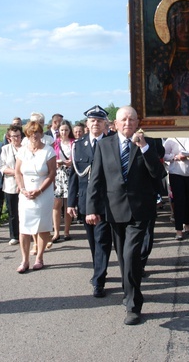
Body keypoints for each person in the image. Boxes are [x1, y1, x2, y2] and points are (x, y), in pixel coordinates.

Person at [87, 105, 166, 325]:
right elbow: (96, 179)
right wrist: (92, 208)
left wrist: (144, 148)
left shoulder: (149, 143)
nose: (128, 124)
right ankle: (128, 290)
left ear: (138, 122)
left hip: (141, 210)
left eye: (132, 120)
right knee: (123, 257)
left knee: (131, 255)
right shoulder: (104, 145)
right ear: (115, 123)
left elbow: (159, 174)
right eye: (123, 120)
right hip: (114, 210)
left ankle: (133, 305)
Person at [67, 105, 113, 298]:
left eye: (99, 121)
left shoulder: (112, 143)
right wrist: (70, 202)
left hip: (106, 201)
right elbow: (74, 176)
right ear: (87, 124)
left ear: (105, 124)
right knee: (93, 242)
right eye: (92, 121)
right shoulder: (78, 145)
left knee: (102, 240)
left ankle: (98, 281)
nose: (96, 124)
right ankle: (99, 269)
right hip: (85, 201)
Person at [14, 121, 56, 273]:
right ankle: (24, 260)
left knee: (42, 226)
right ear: (27, 134)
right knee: (24, 226)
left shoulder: (48, 151)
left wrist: (39, 190)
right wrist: (23, 188)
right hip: (25, 194)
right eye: (31, 133)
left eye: (37, 132)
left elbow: (52, 173)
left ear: (41, 133)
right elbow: (17, 172)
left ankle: (39, 257)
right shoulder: (22, 152)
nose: (34, 136)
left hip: (43, 193)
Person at [163, 137, 189, 240]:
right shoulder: (171, 139)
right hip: (176, 173)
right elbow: (163, 155)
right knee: (178, 201)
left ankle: (187, 223)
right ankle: (178, 229)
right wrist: (175, 157)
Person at [0, 125, 23, 245]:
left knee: (24, 210)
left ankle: (27, 234)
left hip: (25, 184)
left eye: (18, 136)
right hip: (10, 185)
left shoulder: (26, 148)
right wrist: (16, 173)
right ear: (9, 137)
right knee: (12, 211)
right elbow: (2, 167)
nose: (16, 138)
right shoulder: (5, 149)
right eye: (13, 136)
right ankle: (14, 235)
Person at [52, 119, 74, 242]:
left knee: (68, 204)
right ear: (58, 131)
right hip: (57, 174)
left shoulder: (74, 143)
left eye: (66, 130)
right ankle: (56, 232)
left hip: (70, 174)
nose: (64, 132)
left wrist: (70, 162)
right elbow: (50, 159)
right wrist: (56, 162)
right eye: (62, 130)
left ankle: (66, 231)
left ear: (69, 130)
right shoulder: (55, 144)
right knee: (56, 204)